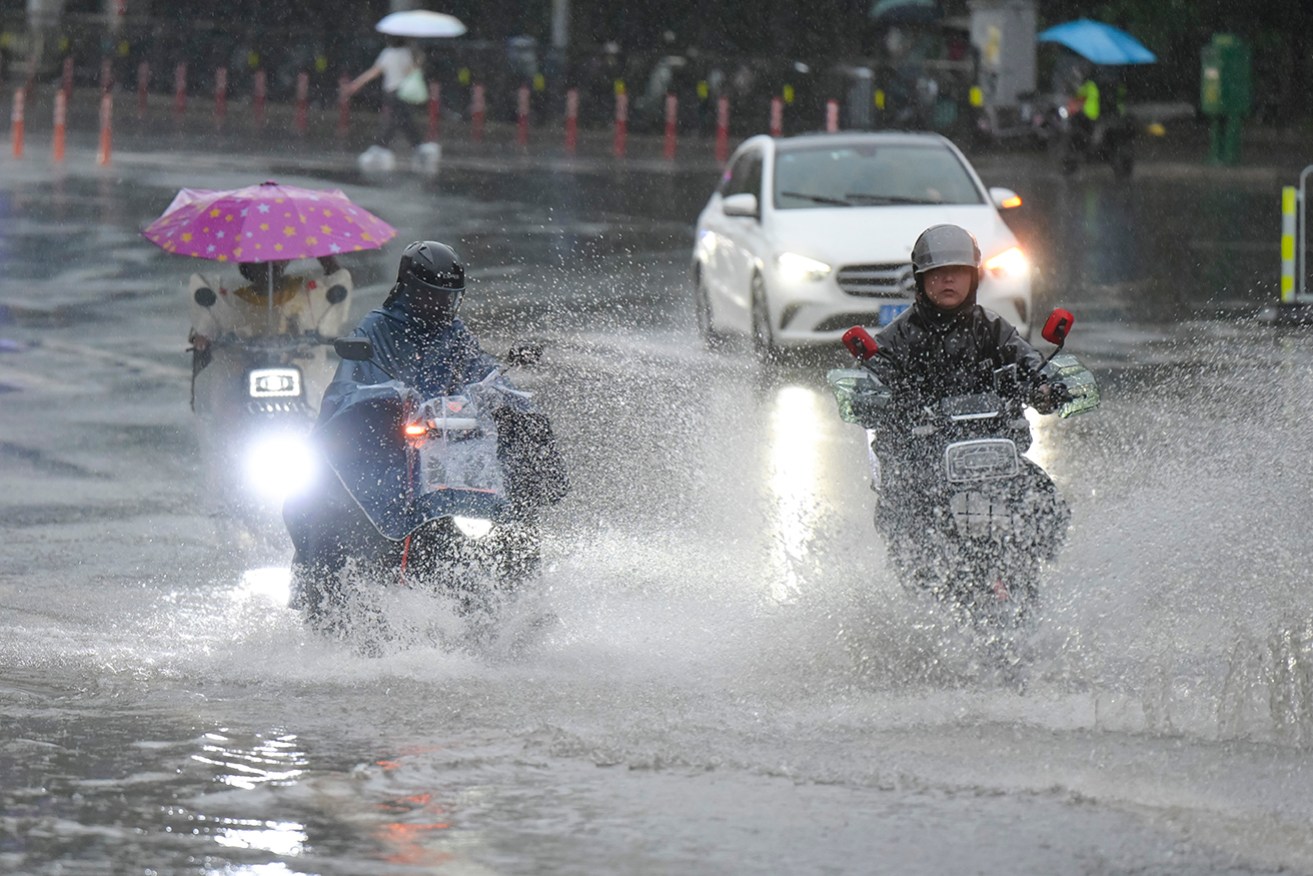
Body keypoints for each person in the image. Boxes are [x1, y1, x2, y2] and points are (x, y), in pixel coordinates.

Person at [284, 241, 568, 616]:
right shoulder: (377, 329)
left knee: (513, 504)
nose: (441, 306)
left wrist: (507, 397)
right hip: (391, 454)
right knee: (330, 505)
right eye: (433, 297)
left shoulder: (456, 334)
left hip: (454, 453)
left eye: (449, 299)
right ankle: (338, 597)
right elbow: (349, 388)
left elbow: (481, 372)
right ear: (410, 289)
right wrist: (389, 401)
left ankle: (525, 601)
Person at [861, 224, 1070, 583]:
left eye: (957, 273)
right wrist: (875, 397)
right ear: (920, 279)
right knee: (905, 512)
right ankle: (915, 586)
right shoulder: (898, 336)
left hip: (987, 453)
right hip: (922, 454)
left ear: (972, 278)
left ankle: (1029, 571)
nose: (948, 281)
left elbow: (1028, 360)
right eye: (938, 274)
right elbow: (873, 377)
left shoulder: (991, 328)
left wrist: (1046, 385)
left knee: (1044, 500)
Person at [186, 255, 353, 411]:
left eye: (275, 260)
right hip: (242, 376)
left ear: (285, 261)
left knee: (328, 398)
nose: (268, 266)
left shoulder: (306, 293)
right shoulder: (231, 299)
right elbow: (210, 318)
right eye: (259, 261)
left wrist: (324, 256)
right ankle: (226, 439)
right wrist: (203, 336)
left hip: (301, 372)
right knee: (221, 401)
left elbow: (338, 282)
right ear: (246, 264)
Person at [345, 35, 426, 158]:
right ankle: (384, 146)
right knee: (400, 120)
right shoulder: (406, 53)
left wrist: (357, 83)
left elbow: (374, 71)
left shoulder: (387, 53)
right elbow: (410, 72)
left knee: (400, 120)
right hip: (402, 92)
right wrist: (418, 61)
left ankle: (414, 145)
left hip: (389, 92)